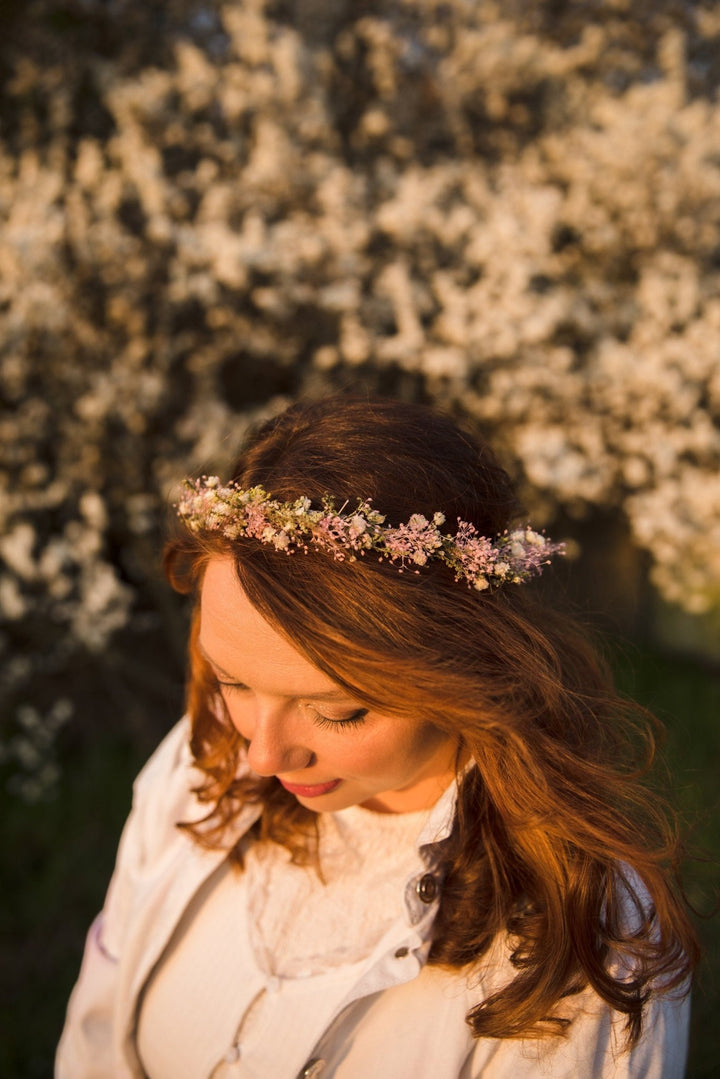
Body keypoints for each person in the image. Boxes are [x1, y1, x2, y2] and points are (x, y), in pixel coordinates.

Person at [56, 396, 698, 1079]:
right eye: (233, 682)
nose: (262, 756)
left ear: (464, 671)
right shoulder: (199, 761)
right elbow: (95, 1045)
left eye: (337, 711)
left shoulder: (582, 943)